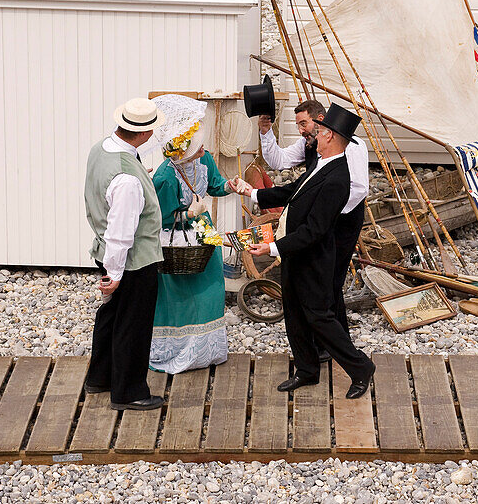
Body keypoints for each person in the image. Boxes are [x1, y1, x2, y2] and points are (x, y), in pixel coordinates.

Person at [239, 105, 375, 399]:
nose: (313, 136)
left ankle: (360, 367)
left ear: (330, 137)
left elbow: (316, 229)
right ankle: (306, 370)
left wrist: (272, 247)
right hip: (295, 250)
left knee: (318, 315)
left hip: (312, 254)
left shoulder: (339, 178)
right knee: (294, 311)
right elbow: (291, 191)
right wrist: (250, 192)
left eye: (320, 132)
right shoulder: (320, 164)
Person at [257, 99, 369, 340]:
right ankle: (323, 341)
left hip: (344, 220)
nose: (301, 130)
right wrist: (266, 133)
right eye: (298, 125)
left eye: (304, 124)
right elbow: (279, 161)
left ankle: (336, 341)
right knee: (319, 280)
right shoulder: (309, 144)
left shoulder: (354, 146)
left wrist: (326, 213)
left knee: (332, 280)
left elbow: (359, 188)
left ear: (320, 120)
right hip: (320, 222)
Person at [83, 97, 167, 410]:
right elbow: (121, 232)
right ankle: (129, 391)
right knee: (133, 323)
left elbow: (107, 191)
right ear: (144, 134)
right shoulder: (128, 179)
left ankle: (100, 378)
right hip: (132, 261)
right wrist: (115, 275)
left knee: (111, 315)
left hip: (106, 251)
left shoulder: (101, 148)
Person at [148, 95, 233, 374]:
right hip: (176, 240)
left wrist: (231, 185)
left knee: (211, 287)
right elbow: (161, 219)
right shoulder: (164, 177)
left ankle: (207, 349)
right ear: (182, 151)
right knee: (181, 292)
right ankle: (179, 350)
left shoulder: (204, 158)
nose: (203, 148)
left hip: (204, 233)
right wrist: (188, 214)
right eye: (196, 146)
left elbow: (216, 185)